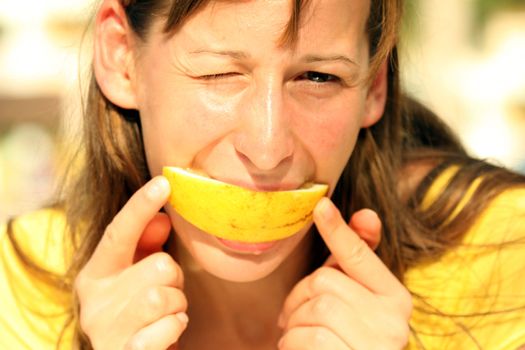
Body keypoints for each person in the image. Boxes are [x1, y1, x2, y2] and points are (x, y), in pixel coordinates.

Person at [1, 0, 524, 349]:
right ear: (121, 59)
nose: (269, 148)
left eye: (319, 77)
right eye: (219, 73)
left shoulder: (502, 258)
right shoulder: (22, 288)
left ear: (374, 86)